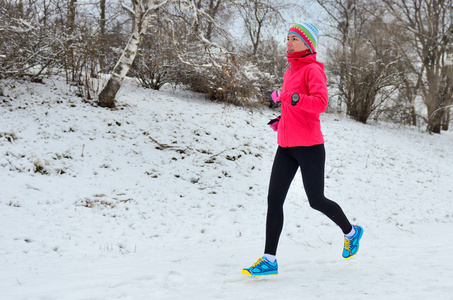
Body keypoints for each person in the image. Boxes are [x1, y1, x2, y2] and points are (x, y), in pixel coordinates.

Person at [242, 23, 363, 277]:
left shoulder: (312, 71)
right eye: (287, 38)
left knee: (316, 200)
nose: (288, 42)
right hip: (286, 147)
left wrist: (288, 98)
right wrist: (282, 121)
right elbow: (294, 107)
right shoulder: (289, 72)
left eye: (294, 39)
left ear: (307, 43)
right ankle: (269, 259)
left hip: (310, 147)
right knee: (274, 200)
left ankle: (351, 232)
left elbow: (320, 104)